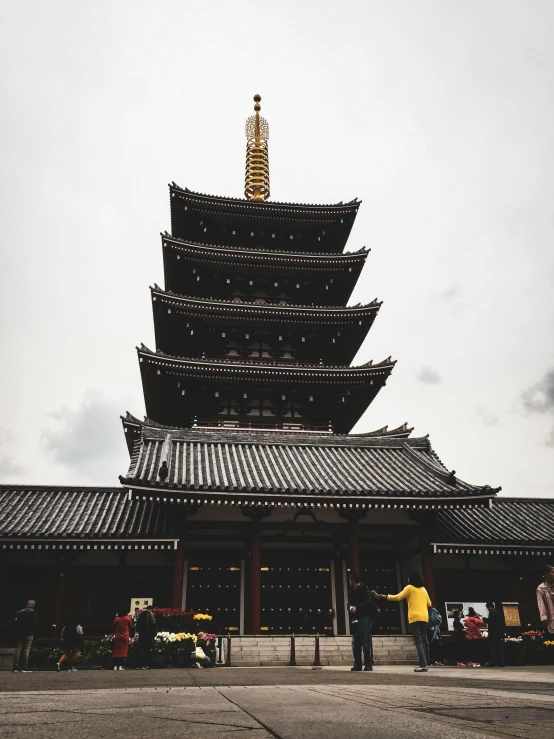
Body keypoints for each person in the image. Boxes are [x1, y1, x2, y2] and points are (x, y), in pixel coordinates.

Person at [375, 571, 431, 672]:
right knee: (422, 641)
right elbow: (429, 603)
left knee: (418, 641)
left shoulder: (409, 588)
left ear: (411, 579)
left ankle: (423, 665)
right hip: (424, 617)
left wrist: (385, 596)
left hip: (414, 617)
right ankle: (426, 662)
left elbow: (398, 597)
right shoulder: (423, 589)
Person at [347, 572, 377, 672]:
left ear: (353, 580)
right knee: (355, 642)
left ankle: (368, 664)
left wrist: (357, 608)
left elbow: (368, 601)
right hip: (355, 619)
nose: (349, 582)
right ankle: (357, 664)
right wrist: (350, 607)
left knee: (365, 641)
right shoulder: (352, 591)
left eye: (350, 580)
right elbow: (349, 602)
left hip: (365, 618)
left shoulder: (364, 589)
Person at [12, 600, 38, 672]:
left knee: (18, 650)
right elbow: (35, 623)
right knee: (26, 650)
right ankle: (24, 666)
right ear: (33, 605)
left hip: (19, 633)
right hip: (29, 633)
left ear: (27, 604)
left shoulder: (20, 612)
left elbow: (15, 623)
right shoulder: (33, 612)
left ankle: (15, 666)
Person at [483, 602, 505, 667]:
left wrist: (484, 619)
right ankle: (501, 662)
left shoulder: (492, 612)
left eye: (487, 608)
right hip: (499, 633)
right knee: (499, 648)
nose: (488, 609)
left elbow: (490, 621)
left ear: (490, 606)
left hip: (493, 633)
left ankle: (493, 662)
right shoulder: (498, 612)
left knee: (493, 648)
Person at [136, 605, 156, 669]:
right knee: (146, 650)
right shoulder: (150, 615)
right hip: (148, 636)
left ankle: (138, 665)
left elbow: (137, 626)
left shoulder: (141, 615)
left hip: (141, 635)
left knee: (139, 649)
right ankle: (145, 665)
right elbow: (153, 625)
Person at [537, 564, 554, 638]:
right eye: (552, 572)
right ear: (546, 574)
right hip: (551, 618)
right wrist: (544, 619)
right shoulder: (541, 588)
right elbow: (541, 605)